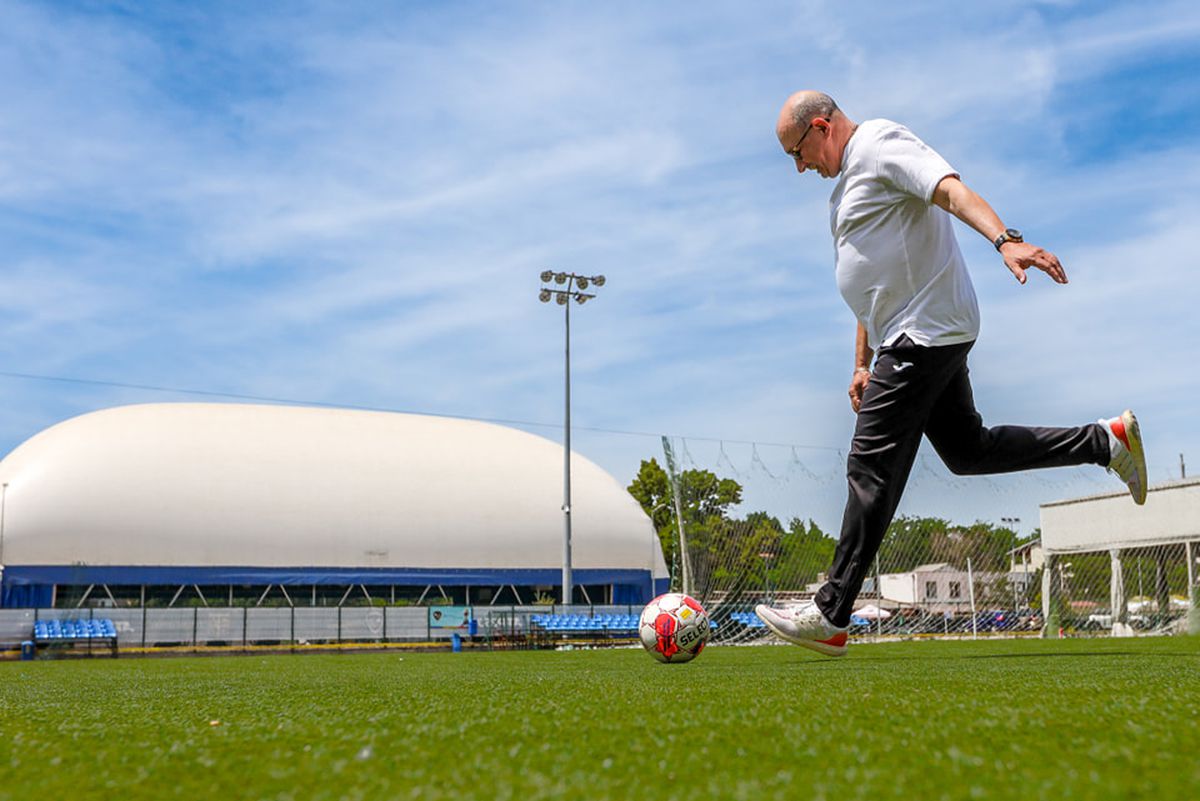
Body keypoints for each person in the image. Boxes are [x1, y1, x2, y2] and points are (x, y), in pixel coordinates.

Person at [754, 91, 1148, 657]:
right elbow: (872, 285)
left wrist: (1005, 241)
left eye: (797, 152)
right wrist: (862, 361)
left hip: (926, 330)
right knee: (968, 451)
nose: (799, 167)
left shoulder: (880, 143)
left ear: (821, 126)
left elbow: (948, 188)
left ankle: (831, 612)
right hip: (909, 331)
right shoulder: (846, 184)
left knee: (869, 464)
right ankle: (1105, 442)